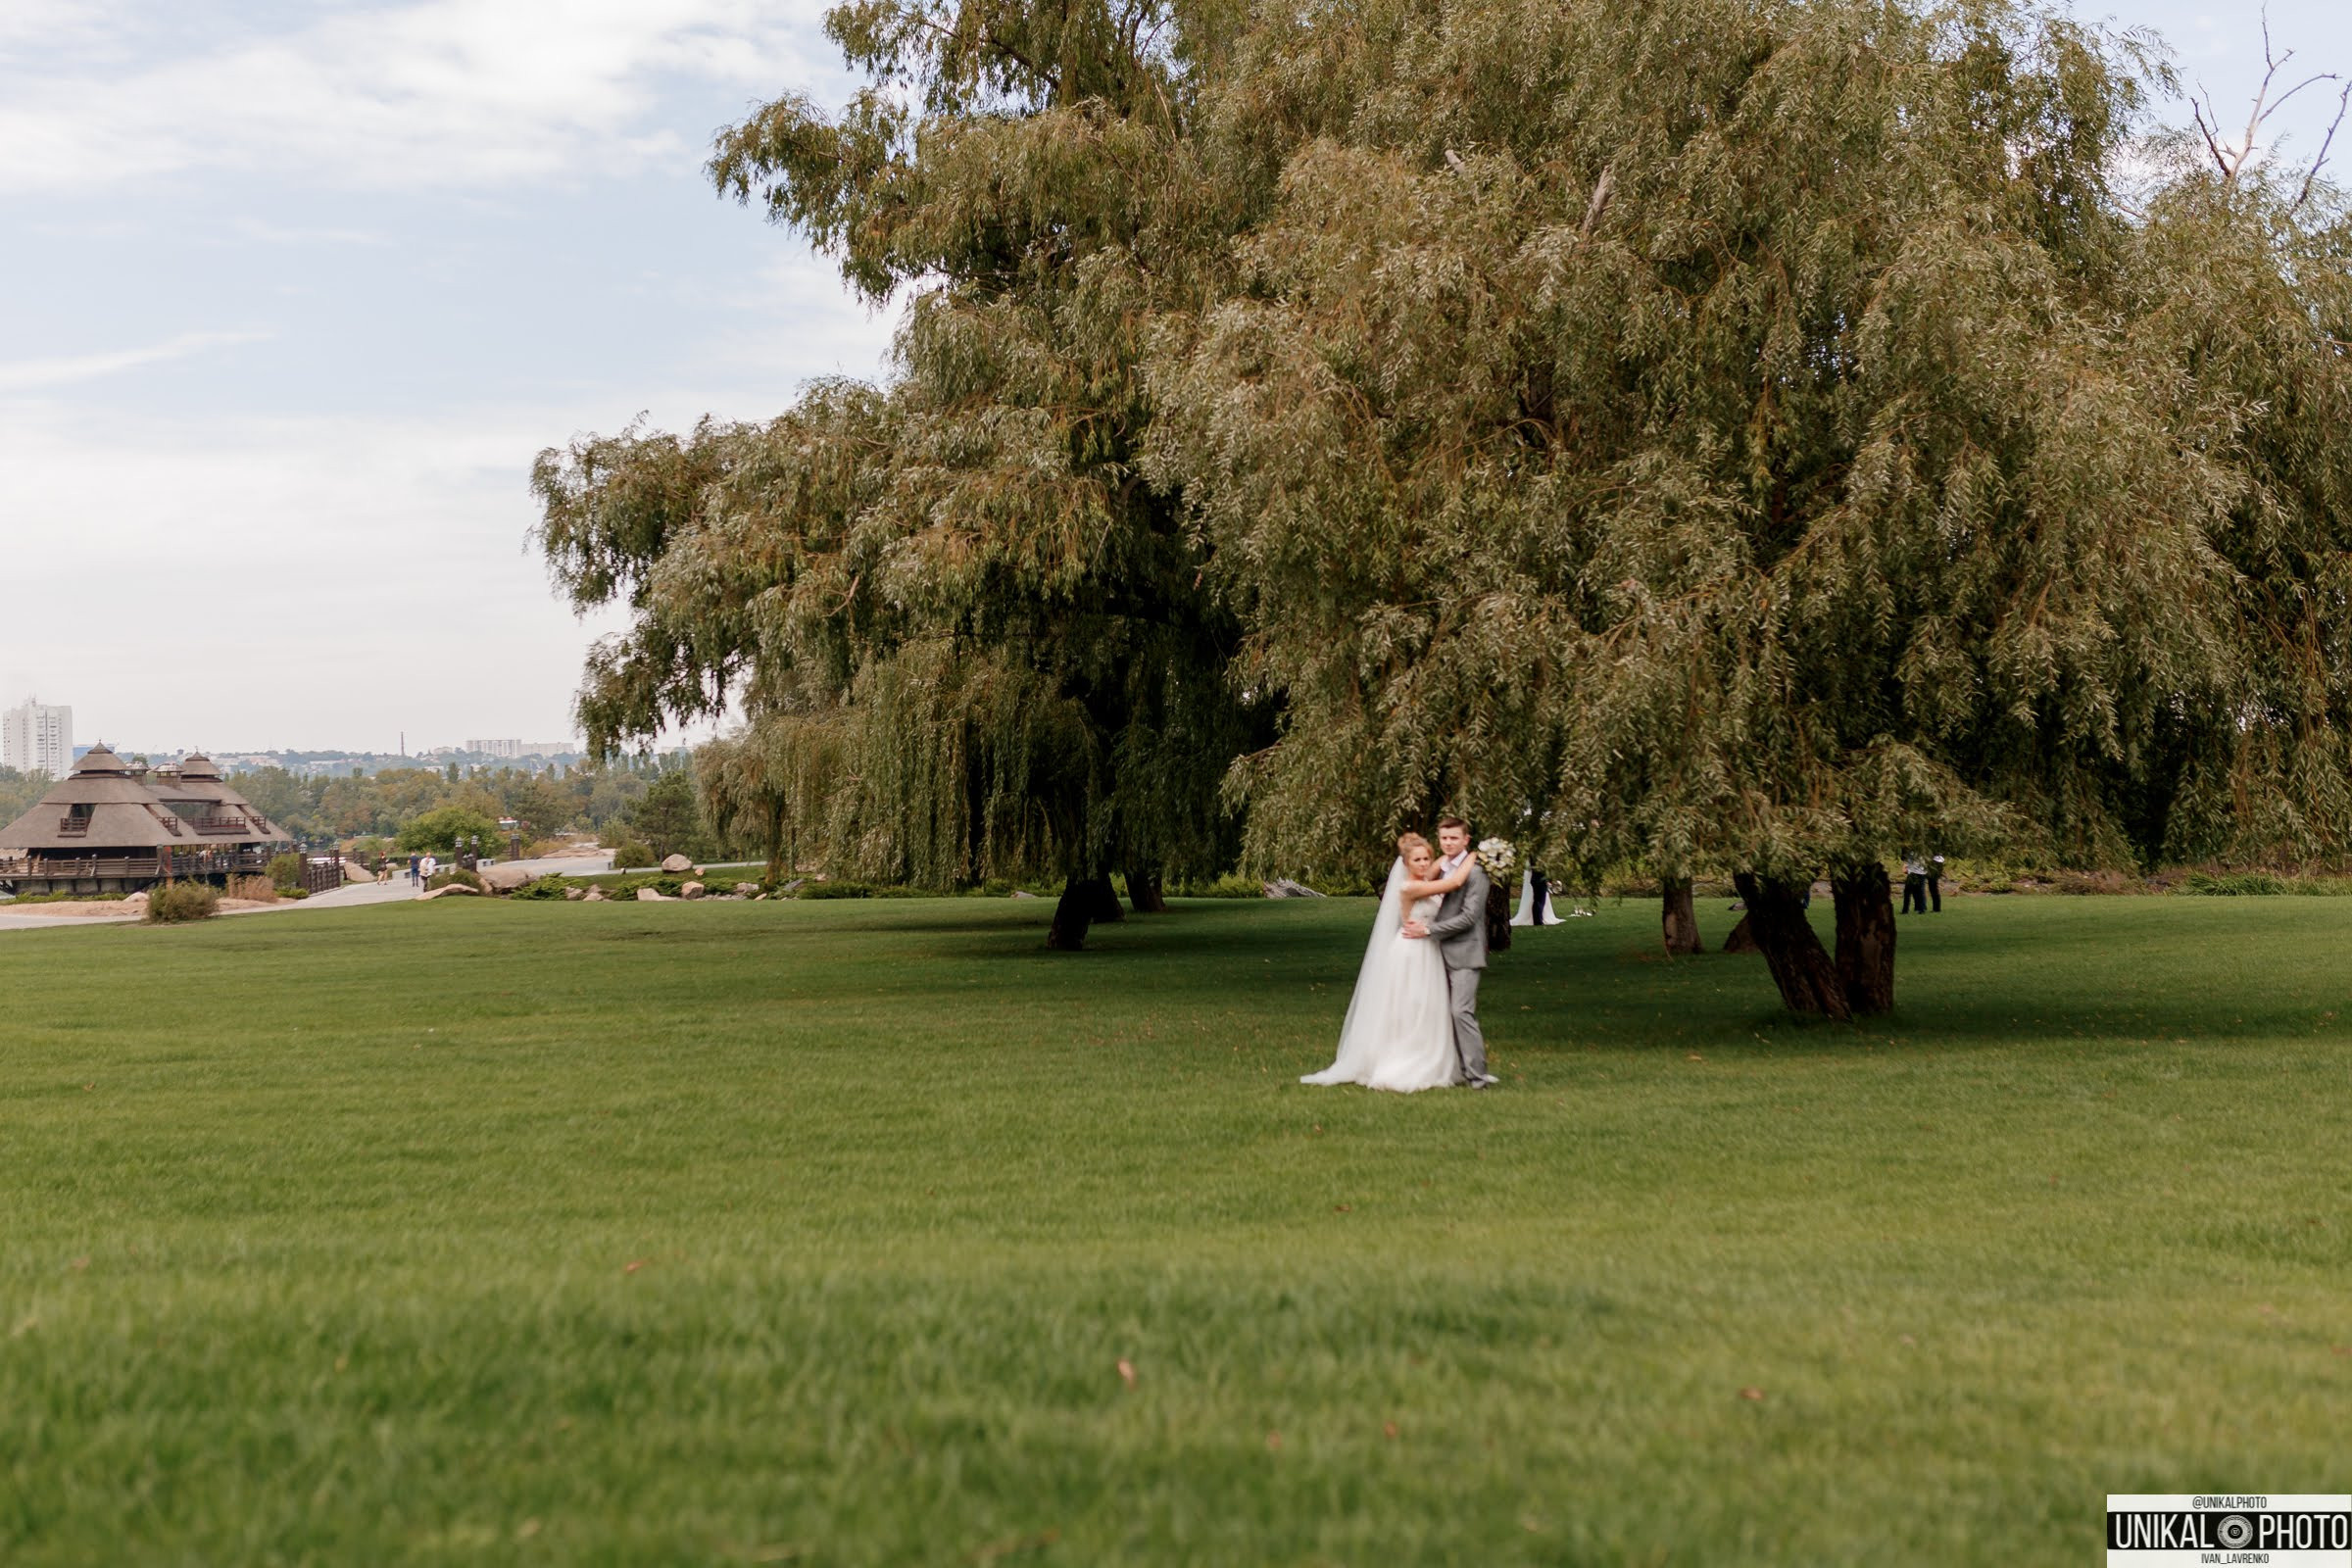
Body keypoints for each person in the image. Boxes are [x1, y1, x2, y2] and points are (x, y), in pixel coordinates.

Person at [1300, 832, 1479, 1092]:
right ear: (1406, 864)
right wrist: (1473, 855)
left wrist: (1448, 853)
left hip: (1428, 950)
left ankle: (1431, 1057)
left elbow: (1438, 864)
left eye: (1425, 859)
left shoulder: (1424, 877)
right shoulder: (1410, 887)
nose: (1422, 863)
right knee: (1410, 1005)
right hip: (1411, 953)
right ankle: (1405, 1059)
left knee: (1429, 1006)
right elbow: (1454, 882)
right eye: (1416, 859)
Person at [1406, 816, 1498, 1088]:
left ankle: (1478, 1076)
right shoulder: (1438, 868)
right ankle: (1454, 1070)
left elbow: (1470, 917)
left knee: (1461, 1012)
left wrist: (1428, 931)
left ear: (1466, 840)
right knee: (1439, 1014)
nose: (1448, 843)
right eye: (1444, 838)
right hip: (1434, 954)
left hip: (1464, 952)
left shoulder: (1476, 873)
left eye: (1454, 838)